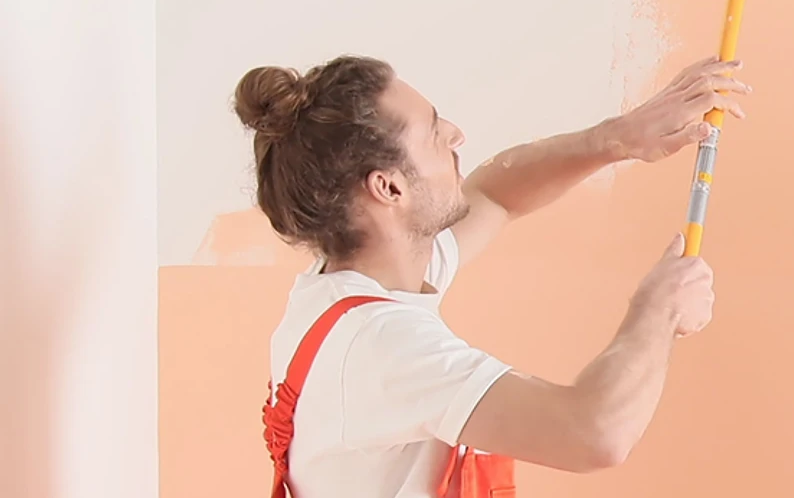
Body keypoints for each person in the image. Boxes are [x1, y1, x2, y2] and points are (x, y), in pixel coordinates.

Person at [240, 55, 748, 496]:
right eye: (434, 133)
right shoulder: (381, 346)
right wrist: (658, 310)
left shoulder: (355, 284)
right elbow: (593, 433)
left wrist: (616, 137)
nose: (456, 135)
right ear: (389, 189)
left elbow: (495, 196)